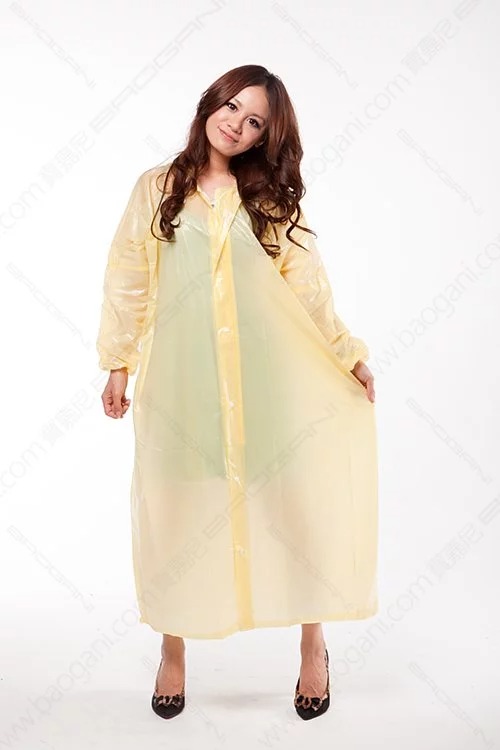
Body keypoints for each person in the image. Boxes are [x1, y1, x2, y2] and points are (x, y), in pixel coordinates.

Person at [96, 63, 377, 721]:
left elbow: (307, 288)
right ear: (210, 103)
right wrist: (118, 363)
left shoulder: (269, 200)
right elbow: (128, 276)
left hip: (267, 383)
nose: (237, 125)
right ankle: (173, 649)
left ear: (263, 137)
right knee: (179, 512)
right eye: (232, 107)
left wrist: (347, 355)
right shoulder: (157, 189)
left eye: (254, 122)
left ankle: (313, 646)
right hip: (184, 384)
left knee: (293, 508)